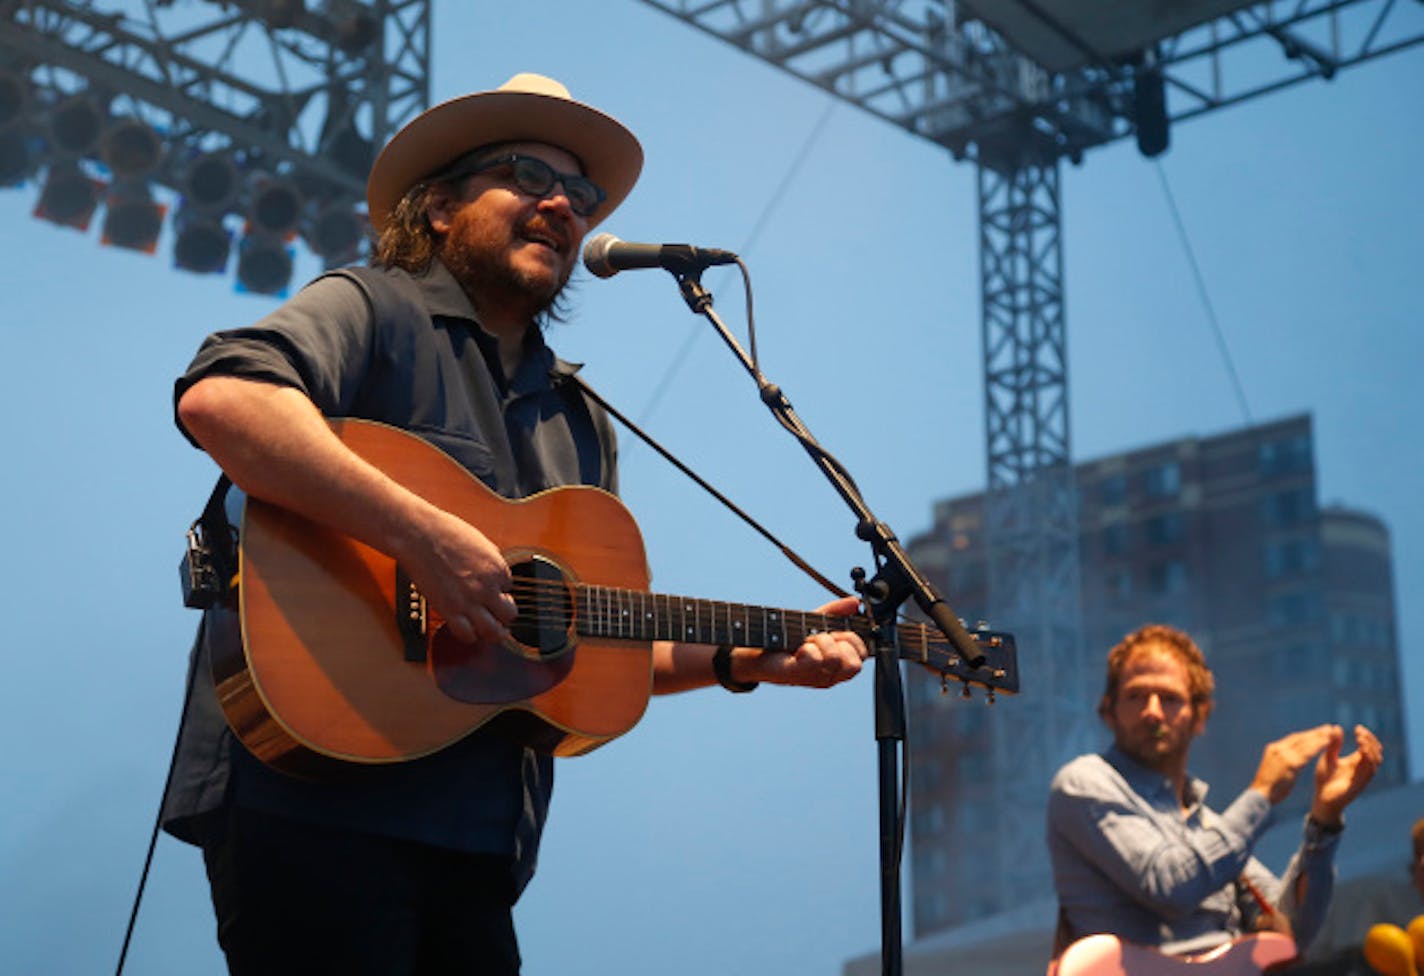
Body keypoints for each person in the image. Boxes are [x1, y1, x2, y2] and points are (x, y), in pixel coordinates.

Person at [160, 72, 868, 975]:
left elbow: (573, 639)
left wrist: (745, 657)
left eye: (580, 193)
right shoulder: (374, 308)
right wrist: (422, 535)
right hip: (313, 794)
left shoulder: (580, 419)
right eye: (526, 174)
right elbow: (228, 401)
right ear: (442, 209)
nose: (561, 204)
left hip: (480, 837)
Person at [1047, 623, 1382, 960]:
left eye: (1170, 698)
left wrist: (1325, 819)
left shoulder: (1210, 826)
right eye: (1135, 696)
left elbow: (1291, 932)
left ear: (1200, 716)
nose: (1152, 711)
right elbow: (1170, 886)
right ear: (1109, 711)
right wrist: (1262, 794)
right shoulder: (1084, 781)